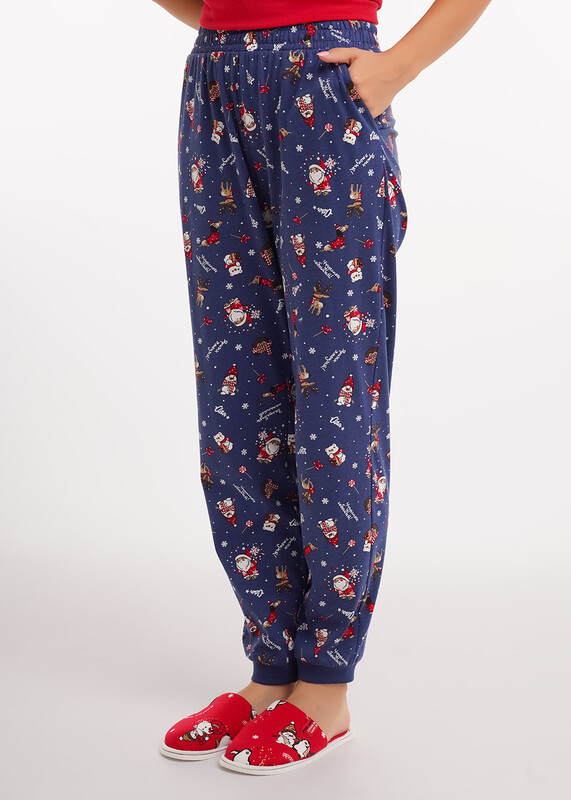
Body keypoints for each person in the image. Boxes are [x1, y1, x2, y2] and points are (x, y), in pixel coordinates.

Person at [153, 0, 492, 774]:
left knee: (334, 396)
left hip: (325, 78)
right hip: (215, 79)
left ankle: (326, 685)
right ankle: (272, 668)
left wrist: (395, 67)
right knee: (237, 397)